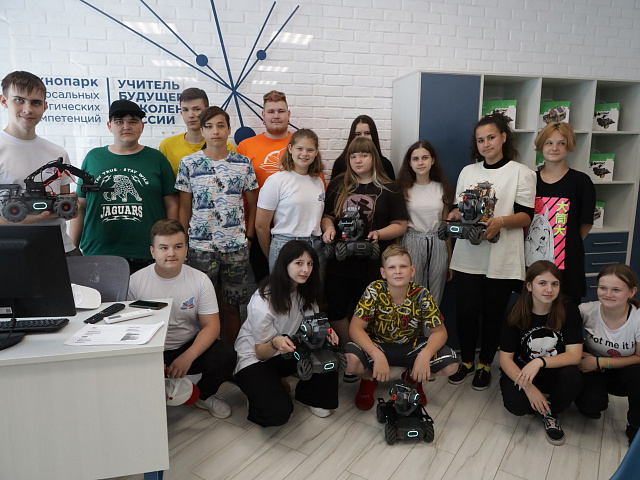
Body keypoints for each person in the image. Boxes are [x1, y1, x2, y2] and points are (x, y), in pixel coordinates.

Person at [447, 112, 536, 390]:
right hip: (467, 256)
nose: (486, 144)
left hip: (501, 258)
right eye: (480, 140)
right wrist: (452, 216)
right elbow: (458, 208)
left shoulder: (521, 172)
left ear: (503, 138)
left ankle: (485, 364)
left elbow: (526, 216)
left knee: (494, 314)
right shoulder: (468, 172)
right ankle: (467, 362)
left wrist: (500, 222)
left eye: (491, 138)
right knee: (466, 313)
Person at [128, 219, 237, 418]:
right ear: (153, 251)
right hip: (152, 349)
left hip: (187, 345)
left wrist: (188, 357)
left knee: (226, 355)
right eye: (164, 248)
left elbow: (212, 326)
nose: (171, 253)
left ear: (186, 249)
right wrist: (149, 359)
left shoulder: (200, 280)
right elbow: (130, 329)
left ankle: (204, 395)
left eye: (178, 247)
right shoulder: (135, 282)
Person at [176, 106, 258, 345]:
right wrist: (183, 244)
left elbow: (253, 204)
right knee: (201, 307)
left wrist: (249, 236)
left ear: (229, 129)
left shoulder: (243, 163)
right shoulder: (189, 163)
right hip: (200, 248)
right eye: (209, 126)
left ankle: (232, 356)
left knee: (232, 307)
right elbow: (184, 207)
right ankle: (204, 354)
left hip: (236, 247)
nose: (215, 131)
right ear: (201, 130)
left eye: (221, 126)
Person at [234, 240, 339, 427]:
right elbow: (260, 353)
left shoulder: (305, 290)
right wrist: (275, 343)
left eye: (310, 264)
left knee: (325, 345)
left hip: (287, 348)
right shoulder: (262, 301)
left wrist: (328, 330)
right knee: (278, 413)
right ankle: (257, 394)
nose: (306, 269)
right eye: (299, 263)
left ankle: (309, 396)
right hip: (256, 357)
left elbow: (314, 320)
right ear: (284, 265)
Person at [345, 245, 459, 410]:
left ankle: (413, 378)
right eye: (392, 267)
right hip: (379, 344)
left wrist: (425, 355)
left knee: (452, 364)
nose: (398, 271)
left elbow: (440, 332)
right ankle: (370, 378)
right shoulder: (374, 290)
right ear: (383, 272)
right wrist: (376, 354)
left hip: (410, 346)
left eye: (403, 266)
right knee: (349, 359)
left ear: (412, 271)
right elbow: (355, 328)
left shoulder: (421, 294)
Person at [70, 99, 179, 272]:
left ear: (142, 126)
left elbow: (172, 204)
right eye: (119, 121)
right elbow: (80, 206)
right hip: (98, 252)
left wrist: (171, 245)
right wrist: (71, 249)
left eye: (133, 121)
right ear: (109, 126)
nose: (126, 126)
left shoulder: (157, 159)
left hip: (148, 252)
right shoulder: (93, 158)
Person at [321, 137, 408, 347]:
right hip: (340, 263)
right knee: (335, 312)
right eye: (353, 156)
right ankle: (352, 350)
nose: (358, 160)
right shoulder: (338, 184)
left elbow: (400, 224)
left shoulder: (389, 188)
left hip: (373, 263)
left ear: (374, 157)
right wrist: (329, 228)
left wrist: (378, 233)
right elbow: (327, 216)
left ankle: (365, 352)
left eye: (363, 155)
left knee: (369, 314)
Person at [499, 260, 583, 446]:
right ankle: (536, 403)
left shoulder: (568, 309)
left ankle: (550, 413)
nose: (549, 289)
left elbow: (575, 355)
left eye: (555, 284)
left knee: (572, 376)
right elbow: (505, 359)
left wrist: (539, 362)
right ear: (529, 286)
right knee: (518, 407)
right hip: (523, 373)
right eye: (542, 283)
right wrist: (529, 388)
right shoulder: (515, 312)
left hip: (554, 370)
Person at [0, 71, 80, 255]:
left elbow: (65, 209)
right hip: (12, 253)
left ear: (45, 106)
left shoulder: (58, 154)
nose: (28, 109)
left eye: (35, 102)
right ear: (4, 101)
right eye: (19, 100)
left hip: (61, 249)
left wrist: (71, 208)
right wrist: (29, 219)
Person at [524, 122, 595, 305]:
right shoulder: (529, 180)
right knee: (532, 313)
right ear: (541, 146)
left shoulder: (581, 182)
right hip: (532, 262)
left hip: (568, 265)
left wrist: (563, 244)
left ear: (568, 146)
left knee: (566, 313)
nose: (554, 148)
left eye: (561, 143)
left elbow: (586, 223)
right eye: (549, 143)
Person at [576, 264, 640, 446]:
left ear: (632, 291)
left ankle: (635, 425)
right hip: (591, 368)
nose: (608, 294)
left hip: (621, 373)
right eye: (603, 288)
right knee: (592, 405)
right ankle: (590, 399)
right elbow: (566, 338)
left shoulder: (637, 319)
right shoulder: (585, 310)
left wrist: (600, 362)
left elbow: (639, 357)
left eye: (616, 290)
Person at [236, 90, 294, 283]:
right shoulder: (246, 147)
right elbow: (238, 192)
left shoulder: (301, 144)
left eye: (281, 111)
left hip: (292, 230)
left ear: (288, 114)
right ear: (263, 115)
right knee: (264, 286)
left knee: (294, 288)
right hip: (257, 229)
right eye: (271, 111)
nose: (276, 116)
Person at [255, 128, 326, 273]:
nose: (304, 154)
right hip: (285, 245)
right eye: (299, 148)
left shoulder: (318, 181)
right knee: (283, 288)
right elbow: (261, 226)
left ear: (316, 152)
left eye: (310, 150)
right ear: (290, 149)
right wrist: (271, 255)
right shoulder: (276, 181)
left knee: (314, 288)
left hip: (315, 246)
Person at [397, 140, 454, 305]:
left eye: (425, 158)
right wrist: (398, 254)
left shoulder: (442, 188)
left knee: (435, 296)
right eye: (415, 159)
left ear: (432, 160)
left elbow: (445, 225)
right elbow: (399, 224)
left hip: (438, 241)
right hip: (411, 241)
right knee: (412, 294)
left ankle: (432, 323)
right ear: (410, 163)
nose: (420, 163)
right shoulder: (402, 189)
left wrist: (450, 259)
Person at [159, 87, 236, 177]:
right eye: (185, 110)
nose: (191, 115)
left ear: (207, 111)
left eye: (196, 109)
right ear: (181, 113)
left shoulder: (226, 147)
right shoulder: (167, 146)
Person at [330, 115, 395, 180]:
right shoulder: (340, 163)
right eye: (358, 134)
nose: (362, 137)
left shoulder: (385, 164)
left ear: (373, 135)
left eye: (367, 133)